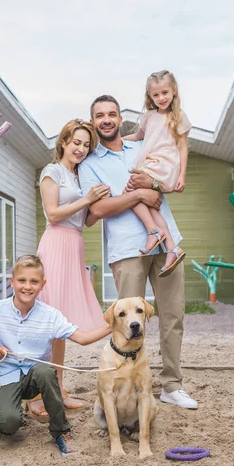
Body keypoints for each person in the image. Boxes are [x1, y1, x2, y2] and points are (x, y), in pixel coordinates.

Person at [78, 95, 198, 409]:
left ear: (120, 119)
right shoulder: (89, 163)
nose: (106, 119)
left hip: (166, 243)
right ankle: (127, 389)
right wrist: (138, 194)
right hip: (126, 248)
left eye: (112, 114)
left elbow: (169, 179)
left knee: (173, 316)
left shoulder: (141, 147)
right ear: (93, 122)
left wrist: (153, 185)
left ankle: (172, 385)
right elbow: (99, 208)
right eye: (100, 115)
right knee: (126, 325)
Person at [0, 255, 111, 457]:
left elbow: (83, 338)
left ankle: (61, 431)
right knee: (8, 423)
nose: (27, 286)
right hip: (4, 376)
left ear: (43, 284)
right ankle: (5, 418)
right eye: (22, 280)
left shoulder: (51, 316)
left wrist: (114, 325)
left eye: (34, 281)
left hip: (35, 378)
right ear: (12, 281)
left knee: (45, 370)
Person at [29, 119, 110, 421]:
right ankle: (37, 394)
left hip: (75, 245)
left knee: (61, 326)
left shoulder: (81, 176)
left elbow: (86, 220)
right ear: (63, 141)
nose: (81, 148)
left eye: (86, 145)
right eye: (76, 142)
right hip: (55, 244)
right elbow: (52, 214)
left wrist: (99, 204)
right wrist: (87, 199)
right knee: (46, 322)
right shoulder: (52, 172)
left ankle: (59, 389)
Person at [122, 70, 191, 276]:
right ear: (150, 97)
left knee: (130, 191)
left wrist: (182, 176)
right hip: (150, 163)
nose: (161, 98)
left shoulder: (178, 117)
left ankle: (154, 232)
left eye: (165, 92)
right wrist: (117, 141)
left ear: (174, 90)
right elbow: (137, 136)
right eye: (156, 95)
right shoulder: (149, 117)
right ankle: (171, 247)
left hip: (164, 165)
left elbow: (182, 147)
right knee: (148, 203)